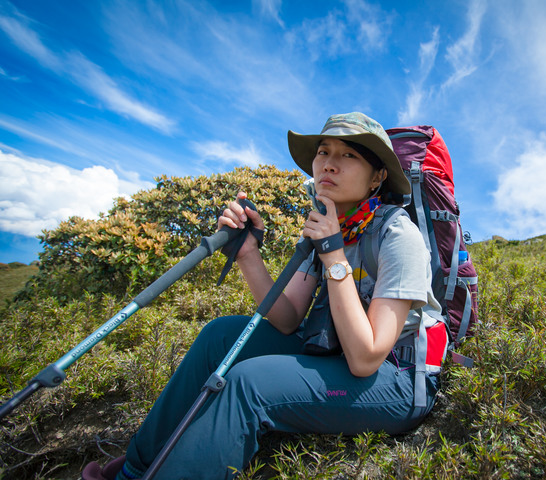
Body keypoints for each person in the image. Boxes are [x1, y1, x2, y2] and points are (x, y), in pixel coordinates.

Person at [82, 112, 444, 480]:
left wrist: (333, 254)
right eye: (323, 152)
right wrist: (248, 254)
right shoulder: (328, 227)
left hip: (398, 380)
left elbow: (366, 359)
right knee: (219, 337)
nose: (329, 165)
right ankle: (134, 469)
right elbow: (286, 318)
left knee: (250, 382)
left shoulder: (397, 235)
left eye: (349, 155)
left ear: (378, 177)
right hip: (340, 355)